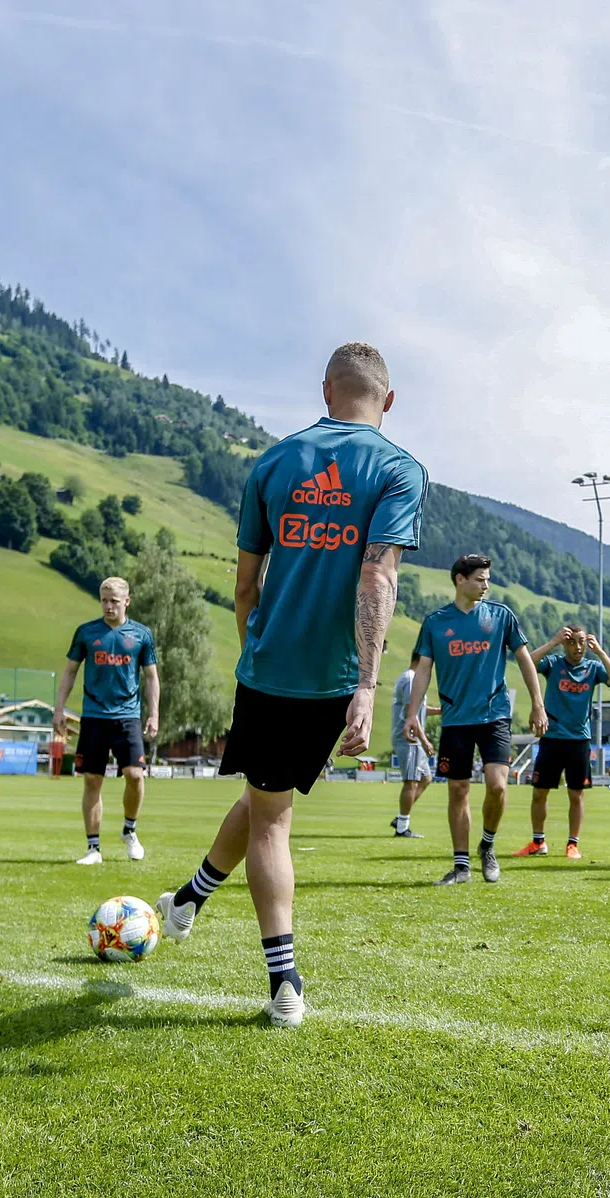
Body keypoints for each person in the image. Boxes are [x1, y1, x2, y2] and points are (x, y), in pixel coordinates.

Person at [156, 342, 425, 1028]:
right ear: (388, 400)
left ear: (326, 390)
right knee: (266, 798)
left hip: (271, 668)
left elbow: (245, 585)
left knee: (269, 809)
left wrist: (257, 651)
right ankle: (194, 907)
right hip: (336, 678)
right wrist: (368, 685)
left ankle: (279, 979)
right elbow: (378, 576)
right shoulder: (398, 469)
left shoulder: (274, 463)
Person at [405, 553, 548, 885]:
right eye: (480, 579)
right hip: (455, 718)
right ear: (460, 580)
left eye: (488, 579)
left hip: (494, 715)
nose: (486, 585)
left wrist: (537, 704)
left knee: (498, 786)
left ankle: (487, 845)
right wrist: (412, 713)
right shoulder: (435, 622)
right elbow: (423, 670)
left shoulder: (501, 616)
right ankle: (461, 867)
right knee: (458, 789)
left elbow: (525, 660)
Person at [54, 575, 160, 864]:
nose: (108, 606)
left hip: (128, 716)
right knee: (92, 779)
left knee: (135, 775)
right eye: (104, 601)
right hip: (94, 716)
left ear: (127, 601)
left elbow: (151, 677)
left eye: (114, 601)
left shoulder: (141, 635)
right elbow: (70, 671)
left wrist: (154, 713)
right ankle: (93, 849)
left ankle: (129, 830)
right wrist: (59, 709)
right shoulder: (86, 633)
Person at [517, 625, 610, 860]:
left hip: (579, 740)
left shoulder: (593, 668)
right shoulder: (554, 664)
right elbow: (527, 661)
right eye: (572, 642)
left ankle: (572, 844)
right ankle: (538, 842)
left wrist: (601, 652)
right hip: (552, 738)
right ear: (565, 644)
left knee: (576, 795)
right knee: (539, 792)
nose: (577, 647)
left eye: (581, 642)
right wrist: (552, 642)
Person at [389, 650, 439, 837]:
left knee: (425, 778)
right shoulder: (411, 679)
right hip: (409, 738)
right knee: (411, 781)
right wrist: (424, 740)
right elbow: (412, 713)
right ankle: (402, 827)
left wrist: (439, 711)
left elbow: (420, 709)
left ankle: (401, 818)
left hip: (413, 738)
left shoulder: (410, 678)